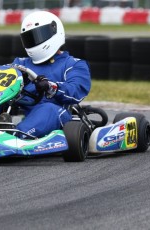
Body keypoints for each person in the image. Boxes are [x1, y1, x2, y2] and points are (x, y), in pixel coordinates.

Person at [11, 10, 91, 138]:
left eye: (39, 36)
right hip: (22, 110)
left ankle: (16, 138)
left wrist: (51, 87)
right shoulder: (20, 63)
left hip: (56, 114)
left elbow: (76, 91)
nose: (34, 41)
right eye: (29, 38)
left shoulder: (74, 64)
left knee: (48, 109)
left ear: (55, 31)